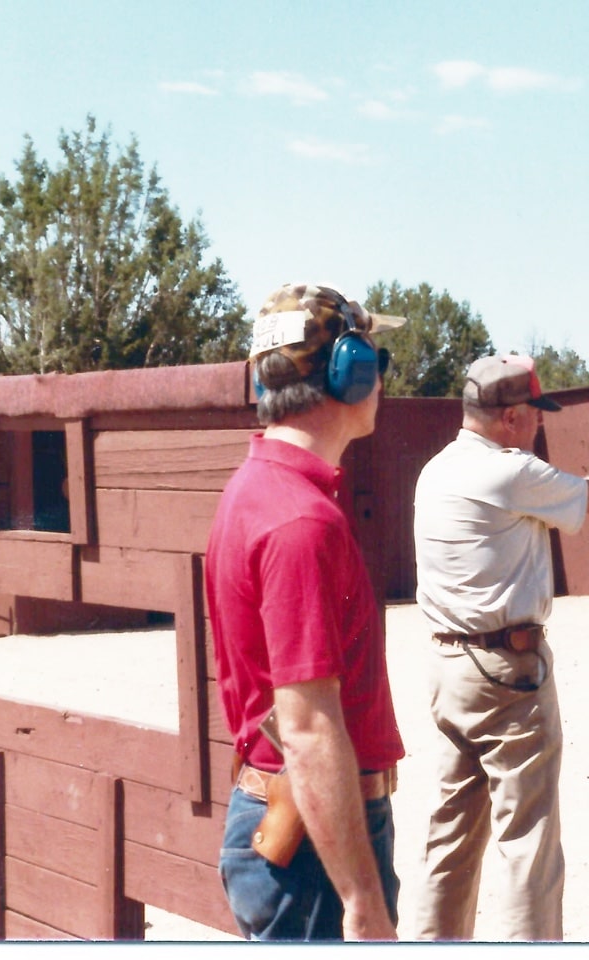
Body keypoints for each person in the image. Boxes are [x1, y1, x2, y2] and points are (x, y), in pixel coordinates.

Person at [411, 354, 589, 941]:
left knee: (449, 838)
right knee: (527, 844)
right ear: (510, 416)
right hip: (505, 671)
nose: (540, 425)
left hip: (449, 667)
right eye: (534, 414)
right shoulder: (505, 470)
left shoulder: (438, 469)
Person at [204, 282, 406, 941]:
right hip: (318, 855)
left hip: (304, 834)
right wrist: (362, 900)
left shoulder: (259, 490)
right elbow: (309, 731)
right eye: (376, 361)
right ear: (351, 373)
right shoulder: (300, 522)